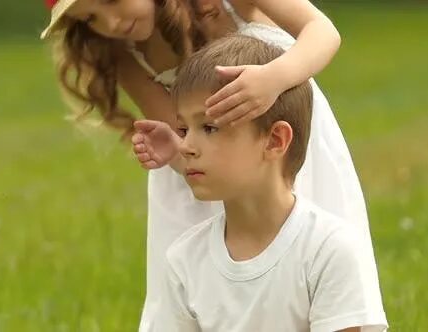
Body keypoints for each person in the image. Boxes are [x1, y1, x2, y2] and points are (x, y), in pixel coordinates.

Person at [40, 1, 378, 329]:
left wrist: (273, 79)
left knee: (302, 259)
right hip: (205, 172)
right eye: (91, 18)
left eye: (111, 1)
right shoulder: (123, 51)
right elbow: (182, 140)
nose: (110, 23)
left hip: (273, 143)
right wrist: (175, 147)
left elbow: (322, 31)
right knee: (214, 285)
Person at [152, 34, 387, 331]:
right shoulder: (183, 261)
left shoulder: (329, 249)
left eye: (209, 128)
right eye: (183, 129)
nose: (186, 146)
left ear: (275, 140)